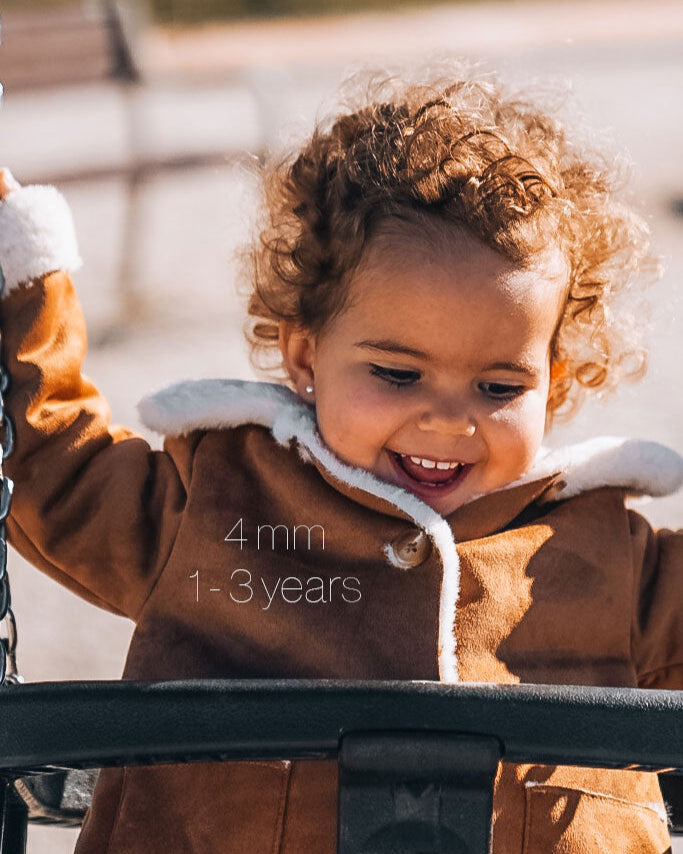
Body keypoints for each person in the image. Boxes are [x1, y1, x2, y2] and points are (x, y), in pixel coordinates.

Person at [0, 67, 681, 853]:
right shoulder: (218, 507)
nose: (447, 418)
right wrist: (23, 276)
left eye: (498, 385)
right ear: (303, 355)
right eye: (396, 374)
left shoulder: (602, 555)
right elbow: (56, 462)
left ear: (552, 386)